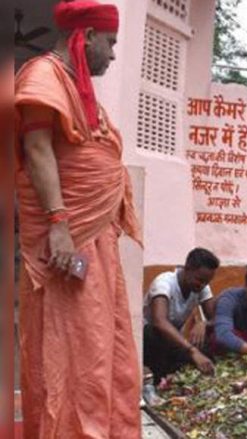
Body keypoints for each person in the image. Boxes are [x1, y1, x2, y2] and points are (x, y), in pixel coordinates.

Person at [15, 1, 142, 436]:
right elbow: (37, 150)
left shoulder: (78, 87)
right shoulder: (42, 76)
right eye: (109, 43)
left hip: (94, 239)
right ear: (85, 36)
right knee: (73, 347)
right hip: (68, 236)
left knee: (104, 345)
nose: (111, 53)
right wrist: (59, 225)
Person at [142, 248, 219, 383]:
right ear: (187, 268)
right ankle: (158, 381)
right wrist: (192, 351)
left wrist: (204, 323)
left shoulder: (201, 287)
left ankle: (181, 377)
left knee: (208, 344)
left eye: (206, 282)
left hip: (174, 341)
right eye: (200, 280)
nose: (202, 285)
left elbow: (216, 318)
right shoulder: (164, 283)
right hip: (149, 342)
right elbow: (159, 321)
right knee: (152, 333)